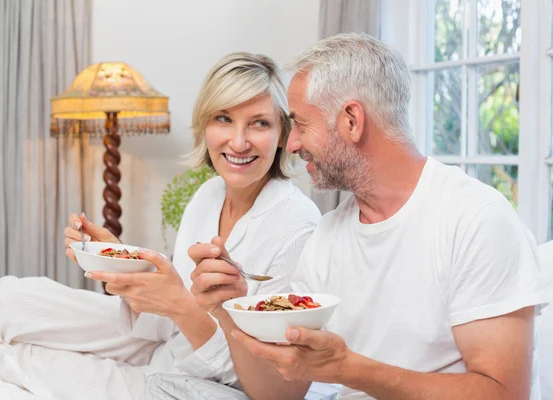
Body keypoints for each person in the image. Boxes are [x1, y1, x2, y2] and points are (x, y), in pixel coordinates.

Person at [188, 33, 550, 400]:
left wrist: (349, 370)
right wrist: (229, 307)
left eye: (301, 124)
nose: (292, 143)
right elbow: (281, 393)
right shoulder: (327, 237)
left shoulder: (476, 219)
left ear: (351, 121)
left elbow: (503, 393)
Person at [0, 52, 321, 400]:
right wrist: (124, 260)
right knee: (6, 299)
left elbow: (269, 384)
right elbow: (178, 292)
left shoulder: (298, 227)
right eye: (223, 118)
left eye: (259, 123)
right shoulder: (209, 195)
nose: (238, 141)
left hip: (197, 380)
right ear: (205, 124)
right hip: (164, 338)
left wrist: (184, 310)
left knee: (11, 358)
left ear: (283, 136)